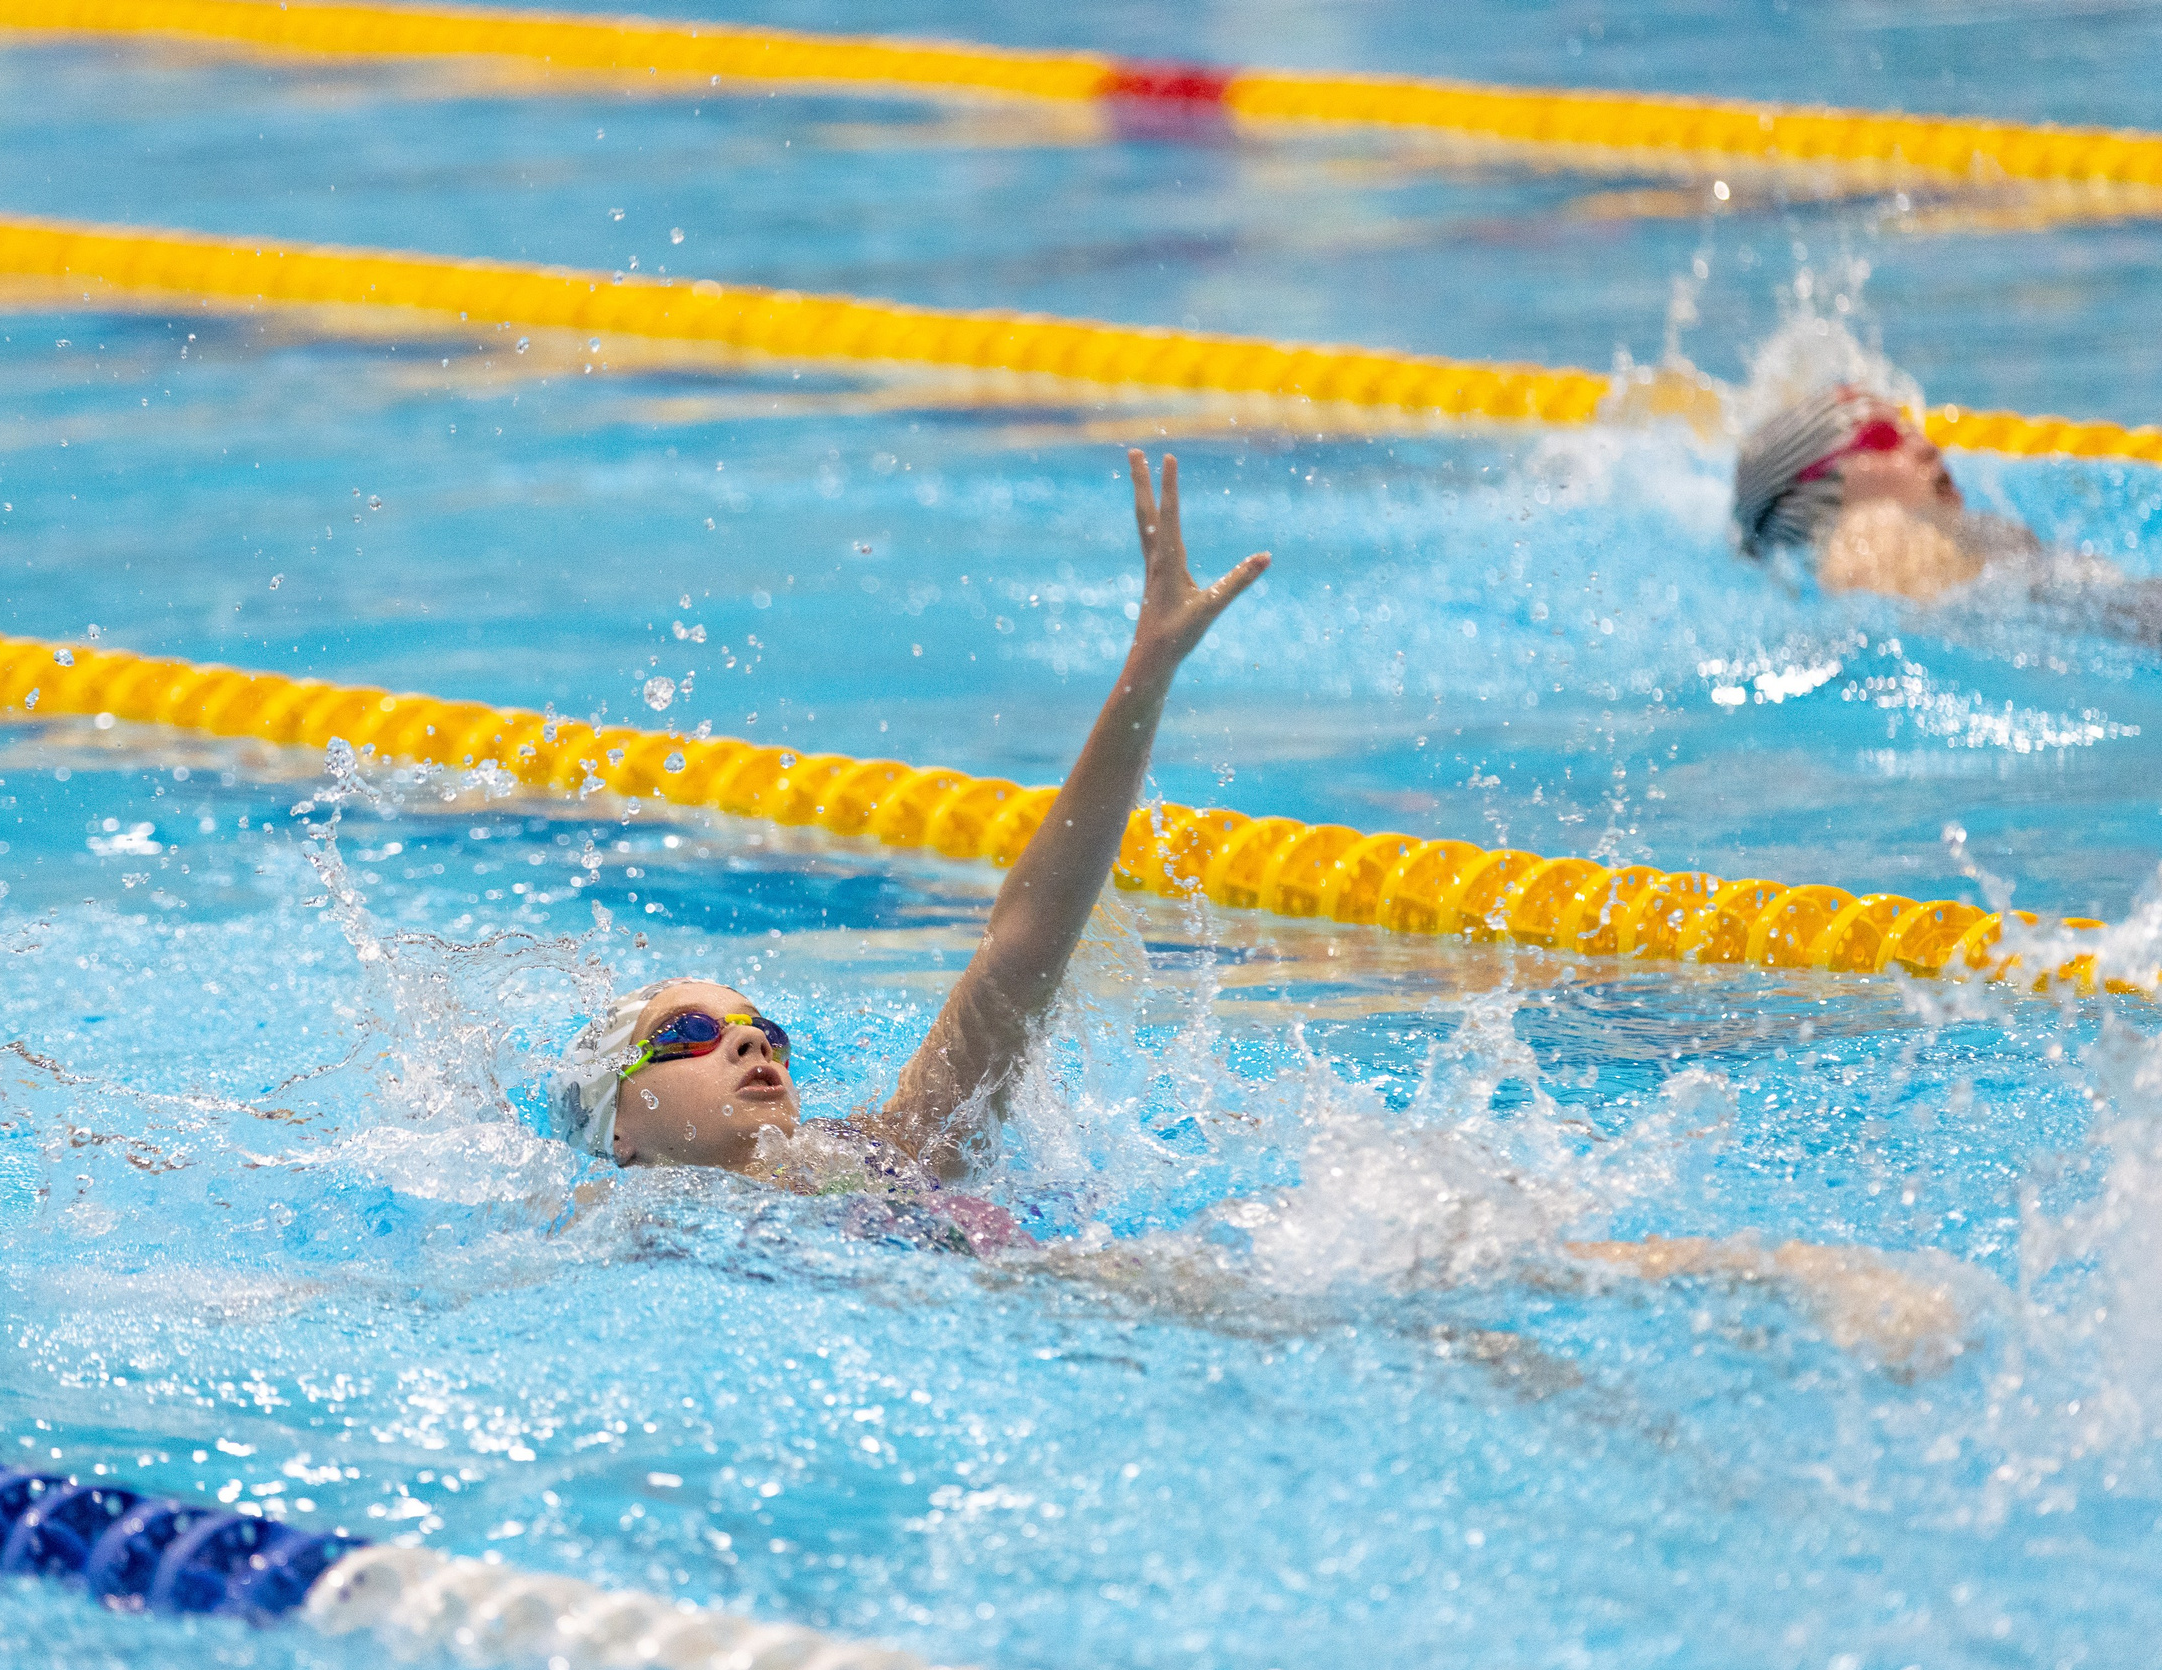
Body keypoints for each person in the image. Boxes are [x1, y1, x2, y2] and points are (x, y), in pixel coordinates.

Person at [549, 448, 1968, 1373]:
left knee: (1445, 1261)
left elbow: (1025, 938)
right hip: (1116, 1339)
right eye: (690, 1028)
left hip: (1140, 1302)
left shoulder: (892, 1150)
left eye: (762, 1024)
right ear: (615, 1121)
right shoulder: (602, 1243)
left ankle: (1791, 1273)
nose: (752, 1044)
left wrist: (1146, 673)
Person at [1732, 383, 2159, 642]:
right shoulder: (1873, 570)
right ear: (1806, 485)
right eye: (1882, 438)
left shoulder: (1989, 536)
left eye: (1912, 430)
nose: (1927, 447)